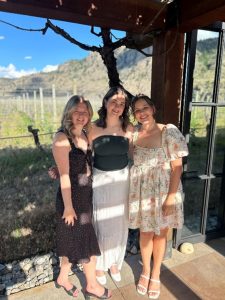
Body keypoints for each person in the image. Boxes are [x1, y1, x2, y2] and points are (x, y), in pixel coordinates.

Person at [129, 94, 188, 299]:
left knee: (161, 234)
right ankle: (145, 270)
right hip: (143, 193)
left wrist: (170, 199)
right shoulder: (134, 134)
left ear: (153, 109)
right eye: (137, 110)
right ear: (134, 115)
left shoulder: (168, 131)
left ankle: (156, 273)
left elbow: (177, 168)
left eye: (145, 108)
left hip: (164, 192)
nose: (142, 113)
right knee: (145, 234)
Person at [52, 95, 111, 299]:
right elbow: (65, 176)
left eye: (85, 111)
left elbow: (72, 164)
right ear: (68, 112)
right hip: (72, 200)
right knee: (87, 243)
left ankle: (62, 278)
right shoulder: (62, 138)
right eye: (77, 111)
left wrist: (56, 168)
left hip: (85, 197)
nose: (81, 115)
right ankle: (92, 285)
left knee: (71, 240)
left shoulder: (85, 134)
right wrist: (68, 207)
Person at [89, 86, 133, 285]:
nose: (117, 106)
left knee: (119, 223)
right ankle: (99, 264)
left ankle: (114, 262)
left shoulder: (129, 128)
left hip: (122, 181)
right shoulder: (91, 128)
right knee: (102, 222)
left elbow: (133, 155)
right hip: (101, 182)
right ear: (105, 102)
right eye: (114, 101)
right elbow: (79, 152)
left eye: (122, 103)